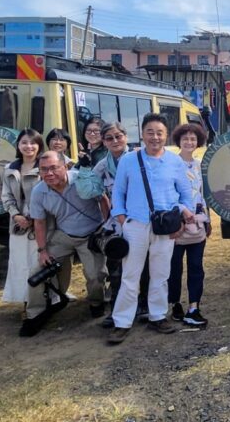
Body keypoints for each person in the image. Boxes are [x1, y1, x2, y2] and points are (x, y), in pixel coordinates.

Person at [108, 113, 197, 344]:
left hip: (165, 225)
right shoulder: (129, 160)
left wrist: (182, 218)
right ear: (142, 134)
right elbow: (118, 191)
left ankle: (158, 315)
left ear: (166, 136)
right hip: (135, 224)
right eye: (150, 132)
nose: (155, 137)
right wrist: (120, 216)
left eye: (159, 133)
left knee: (160, 273)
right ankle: (122, 321)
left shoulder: (174, 162)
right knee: (130, 274)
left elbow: (186, 193)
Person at [21, 151, 108, 336]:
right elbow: (39, 222)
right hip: (64, 235)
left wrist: (106, 226)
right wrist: (43, 251)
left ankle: (96, 302)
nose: (49, 173)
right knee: (37, 271)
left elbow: (103, 199)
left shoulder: (81, 179)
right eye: (44, 169)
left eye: (54, 168)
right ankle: (34, 313)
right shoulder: (39, 191)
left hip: (90, 235)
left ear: (65, 166)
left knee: (95, 274)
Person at [168, 122, 211, 327]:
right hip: (177, 225)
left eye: (193, 139)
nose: (189, 142)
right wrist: (182, 212)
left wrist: (208, 219)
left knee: (196, 267)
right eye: (185, 138)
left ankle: (194, 307)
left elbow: (201, 195)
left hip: (198, 225)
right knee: (174, 268)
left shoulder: (198, 164)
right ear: (179, 141)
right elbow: (166, 195)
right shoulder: (170, 164)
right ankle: (174, 303)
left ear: (198, 142)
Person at [0, 129, 45, 318]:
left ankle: (44, 300)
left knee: (38, 262)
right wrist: (16, 215)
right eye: (24, 142)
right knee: (20, 263)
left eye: (33, 143)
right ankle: (26, 301)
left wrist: (35, 218)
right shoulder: (10, 168)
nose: (29, 146)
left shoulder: (44, 166)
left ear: (39, 146)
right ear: (18, 145)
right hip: (18, 225)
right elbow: (6, 196)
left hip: (41, 223)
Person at [93, 121, 131, 328]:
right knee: (115, 268)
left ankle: (143, 306)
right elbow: (95, 194)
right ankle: (116, 310)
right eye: (110, 138)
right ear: (104, 142)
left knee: (141, 267)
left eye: (119, 136)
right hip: (115, 224)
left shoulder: (138, 158)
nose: (115, 141)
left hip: (138, 221)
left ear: (125, 136)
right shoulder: (101, 166)